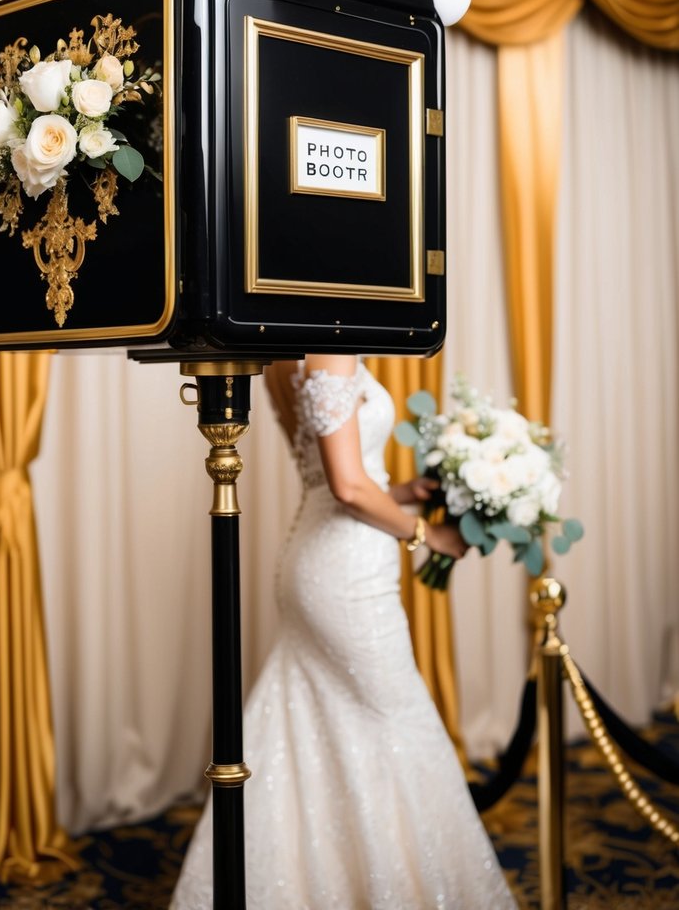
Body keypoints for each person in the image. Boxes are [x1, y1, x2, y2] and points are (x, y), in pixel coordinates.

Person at [171, 354, 516, 909]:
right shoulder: (329, 346)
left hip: (314, 550)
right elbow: (349, 486)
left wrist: (403, 491)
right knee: (399, 725)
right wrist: (429, 535)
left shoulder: (283, 347)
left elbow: (331, 469)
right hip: (345, 569)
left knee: (309, 721)